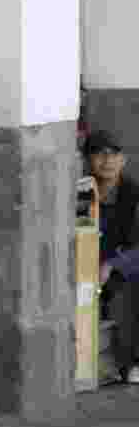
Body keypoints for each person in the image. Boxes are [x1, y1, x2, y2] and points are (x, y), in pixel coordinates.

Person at [84, 130, 139, 383]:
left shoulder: (134, 195)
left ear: (123, 160)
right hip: (86, 271)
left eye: (114, 154)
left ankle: (130, 363)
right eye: (99, 153)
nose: (107, 161)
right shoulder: (82, 192)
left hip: (122, 270)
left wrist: (113, 264)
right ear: (88, 159)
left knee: (124, 295)